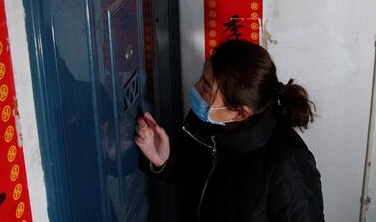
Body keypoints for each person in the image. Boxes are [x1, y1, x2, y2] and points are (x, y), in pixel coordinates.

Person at [134, 39, 324, 222]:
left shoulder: (289, 166)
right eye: (202, 78)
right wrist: (164, 160)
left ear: (239, 113)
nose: (196, 88)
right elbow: (199, 180)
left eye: (206, 88)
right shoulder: (211, 123)